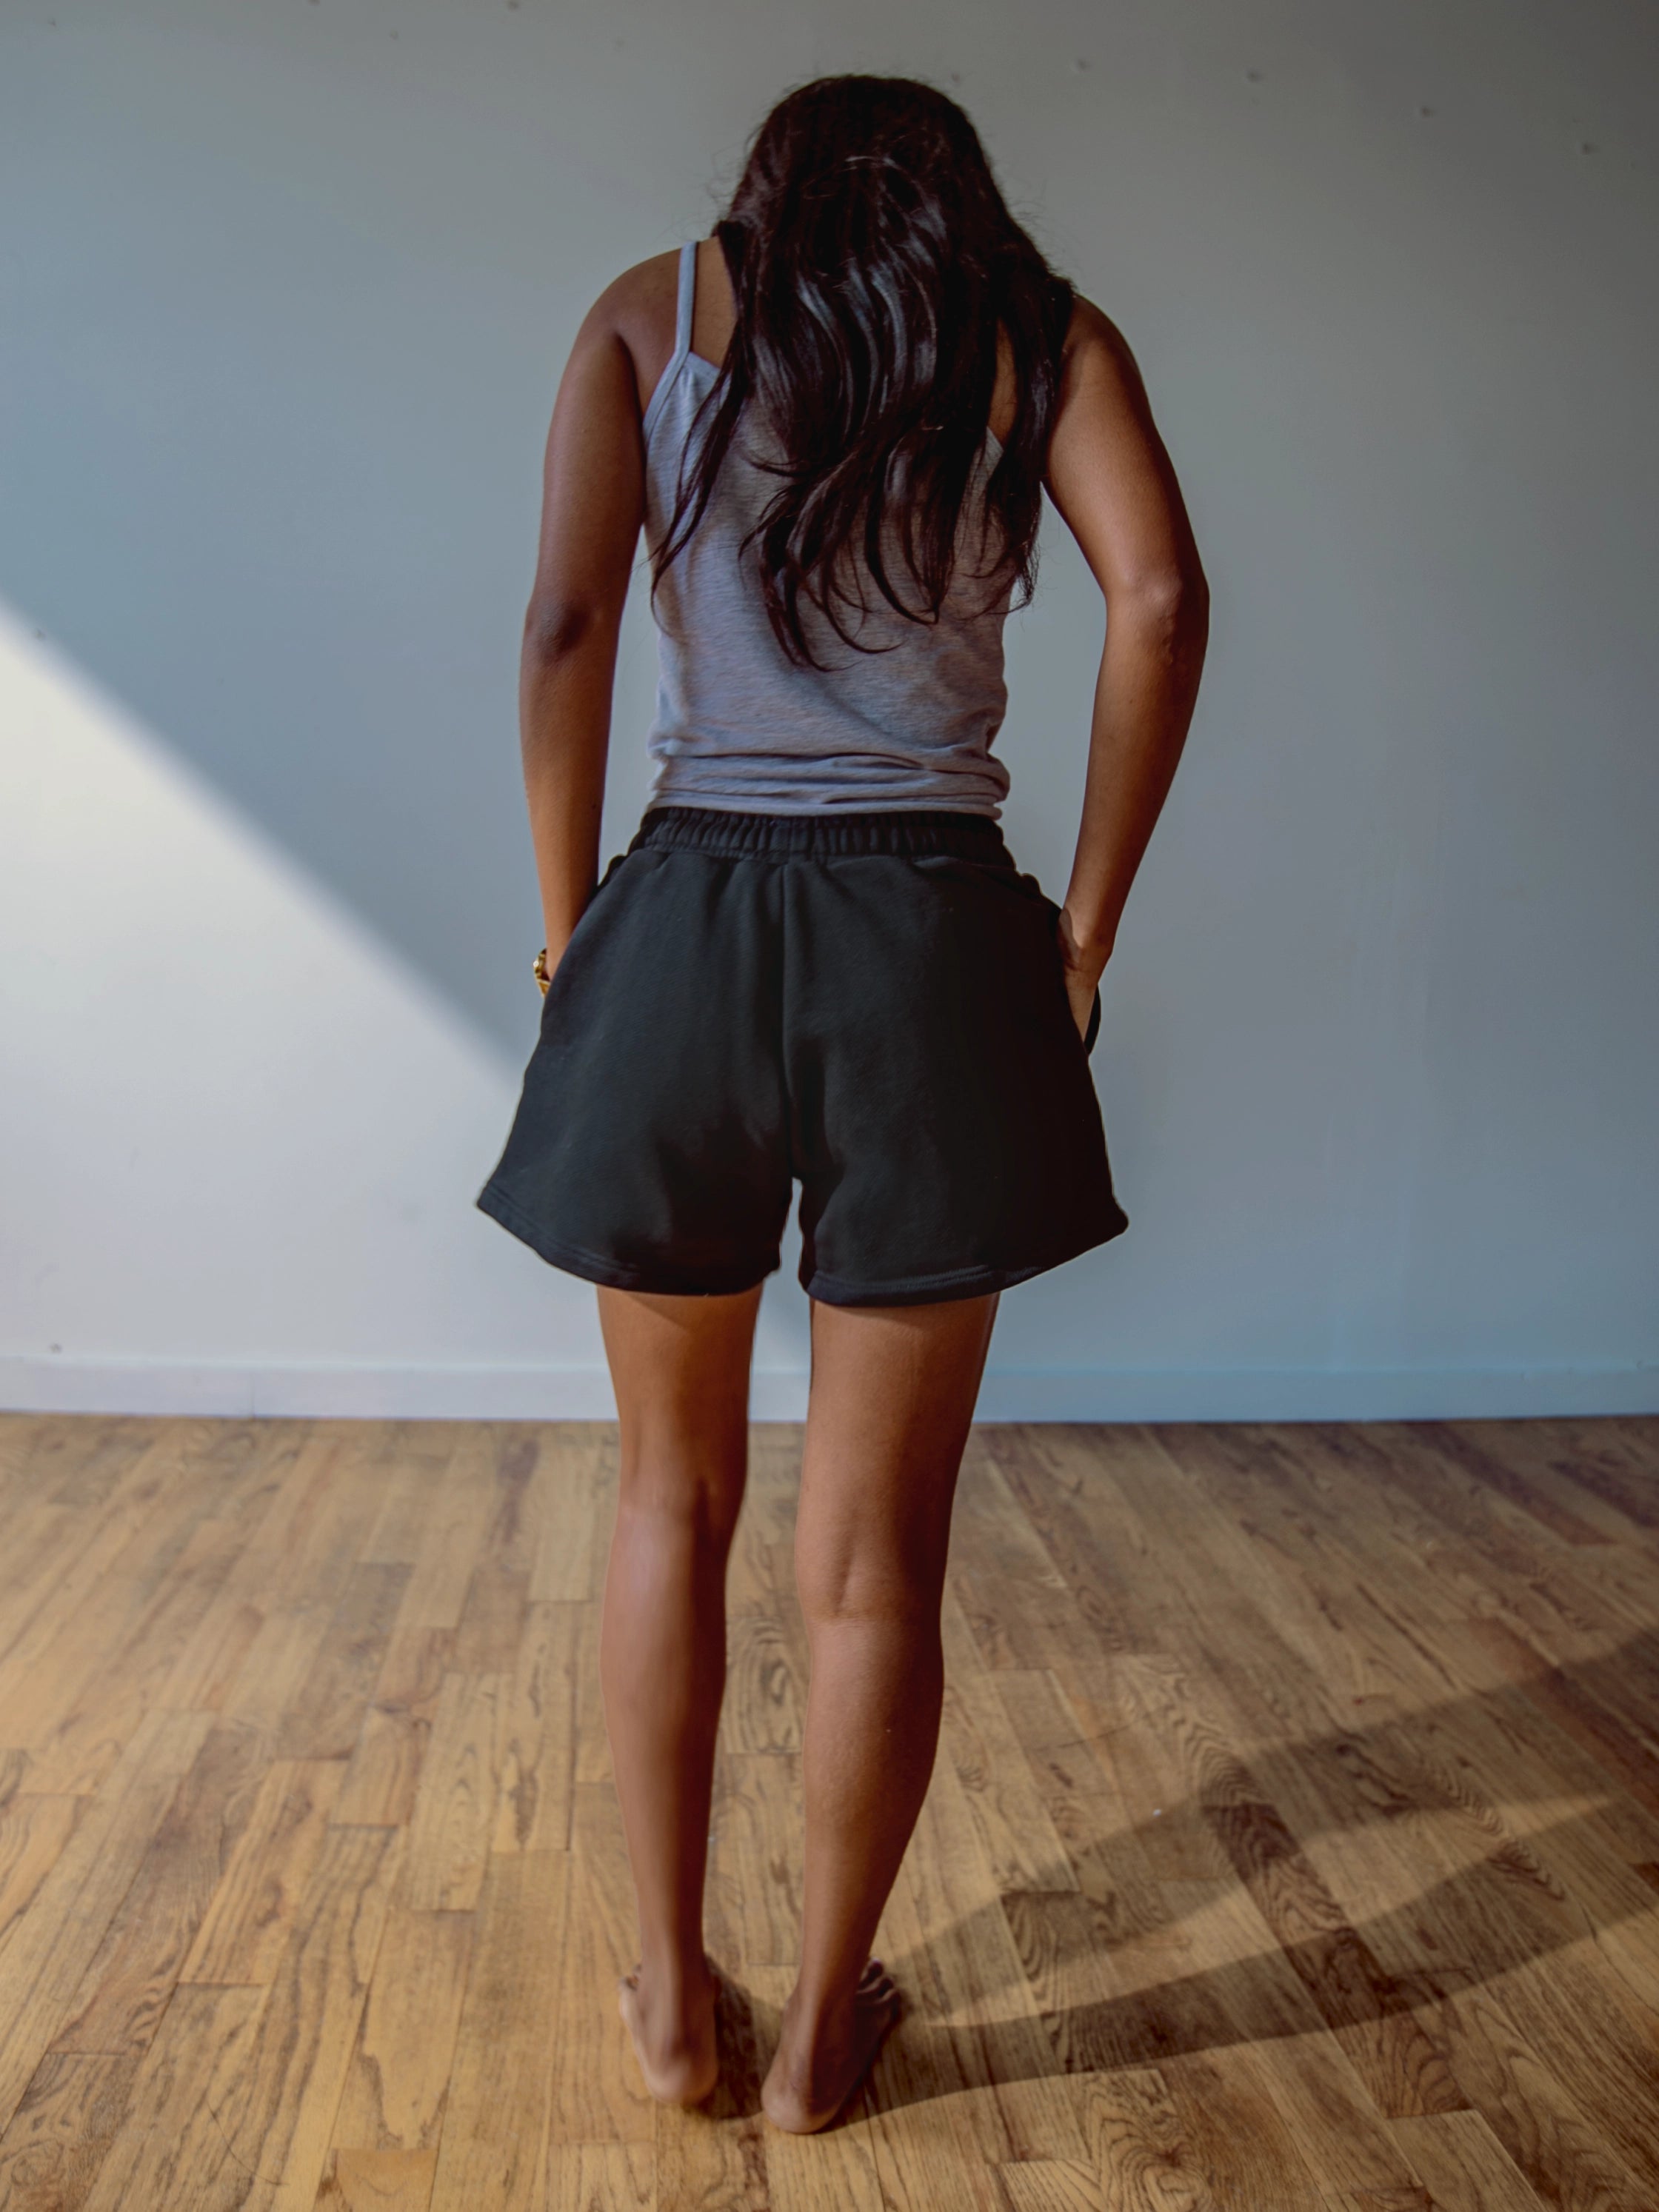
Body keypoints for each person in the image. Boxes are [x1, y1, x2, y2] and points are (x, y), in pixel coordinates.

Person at [476, 73, 1208, 2133]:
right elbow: (1160, 597)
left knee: (668, 1498)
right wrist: (1085, 931)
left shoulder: (652, 314)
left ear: (765, 192)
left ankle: (670, 1997)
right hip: (932, 947)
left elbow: (564, 623)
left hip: (686, 929)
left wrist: (571, 934)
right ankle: (814, 2034)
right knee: (875, 1557)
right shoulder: (1032, 333)